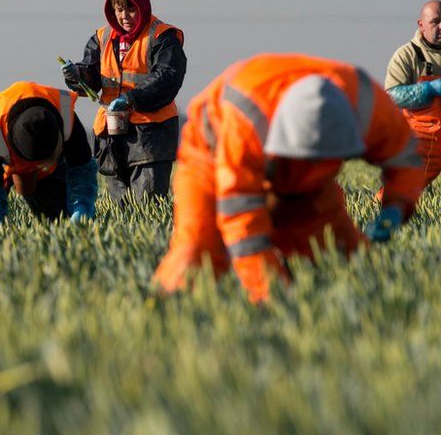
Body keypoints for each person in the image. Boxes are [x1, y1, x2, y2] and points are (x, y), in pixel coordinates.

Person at [152, 54, 424, 303]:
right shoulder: (246, 121)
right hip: (210, 158)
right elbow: (242, 223)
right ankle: (166, 310)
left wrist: (397, 205)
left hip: (310, 187)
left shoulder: (368, 105)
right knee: (198, 249)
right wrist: (271, 296)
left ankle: (371, 309)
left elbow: (406, 158)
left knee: (342, 254)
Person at [60, 0, 186, 205]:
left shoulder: (163, 37)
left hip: (151, 136)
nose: (124, 16)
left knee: (147, 206)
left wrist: (131, 99)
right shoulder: (102, 38)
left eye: (131, 9)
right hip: (112, 135)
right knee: (121, 209)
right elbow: (91, 78)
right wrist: (76, 76)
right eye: (119, 10)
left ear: (143, 8)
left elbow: (167, 78)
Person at [0, 81, 98, 224]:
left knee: (59, 220)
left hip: (46, 170)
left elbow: (82, 173)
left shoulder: (67, 118)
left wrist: (82, 206)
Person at [383, 0, 441, 188]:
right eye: (435, 21)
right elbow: (391, 96)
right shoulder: (407, 55)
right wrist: (429, 89)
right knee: (405, 186)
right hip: (424, 136)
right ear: (421, 24)